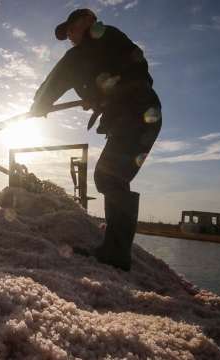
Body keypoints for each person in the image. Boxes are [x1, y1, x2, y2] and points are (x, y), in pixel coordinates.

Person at [30, 9, 162, 271]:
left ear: (88, 20)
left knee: (109, 176)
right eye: (66, 33)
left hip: (138, 111)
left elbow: (63, 74)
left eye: (71, 29)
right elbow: (104, 72)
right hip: (138, 113)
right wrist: (100, 95)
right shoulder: (98, 48)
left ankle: (116, 252)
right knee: (113, 176)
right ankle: (117, 249)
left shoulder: (100, 38)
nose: (69, 36)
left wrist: (40, 102)